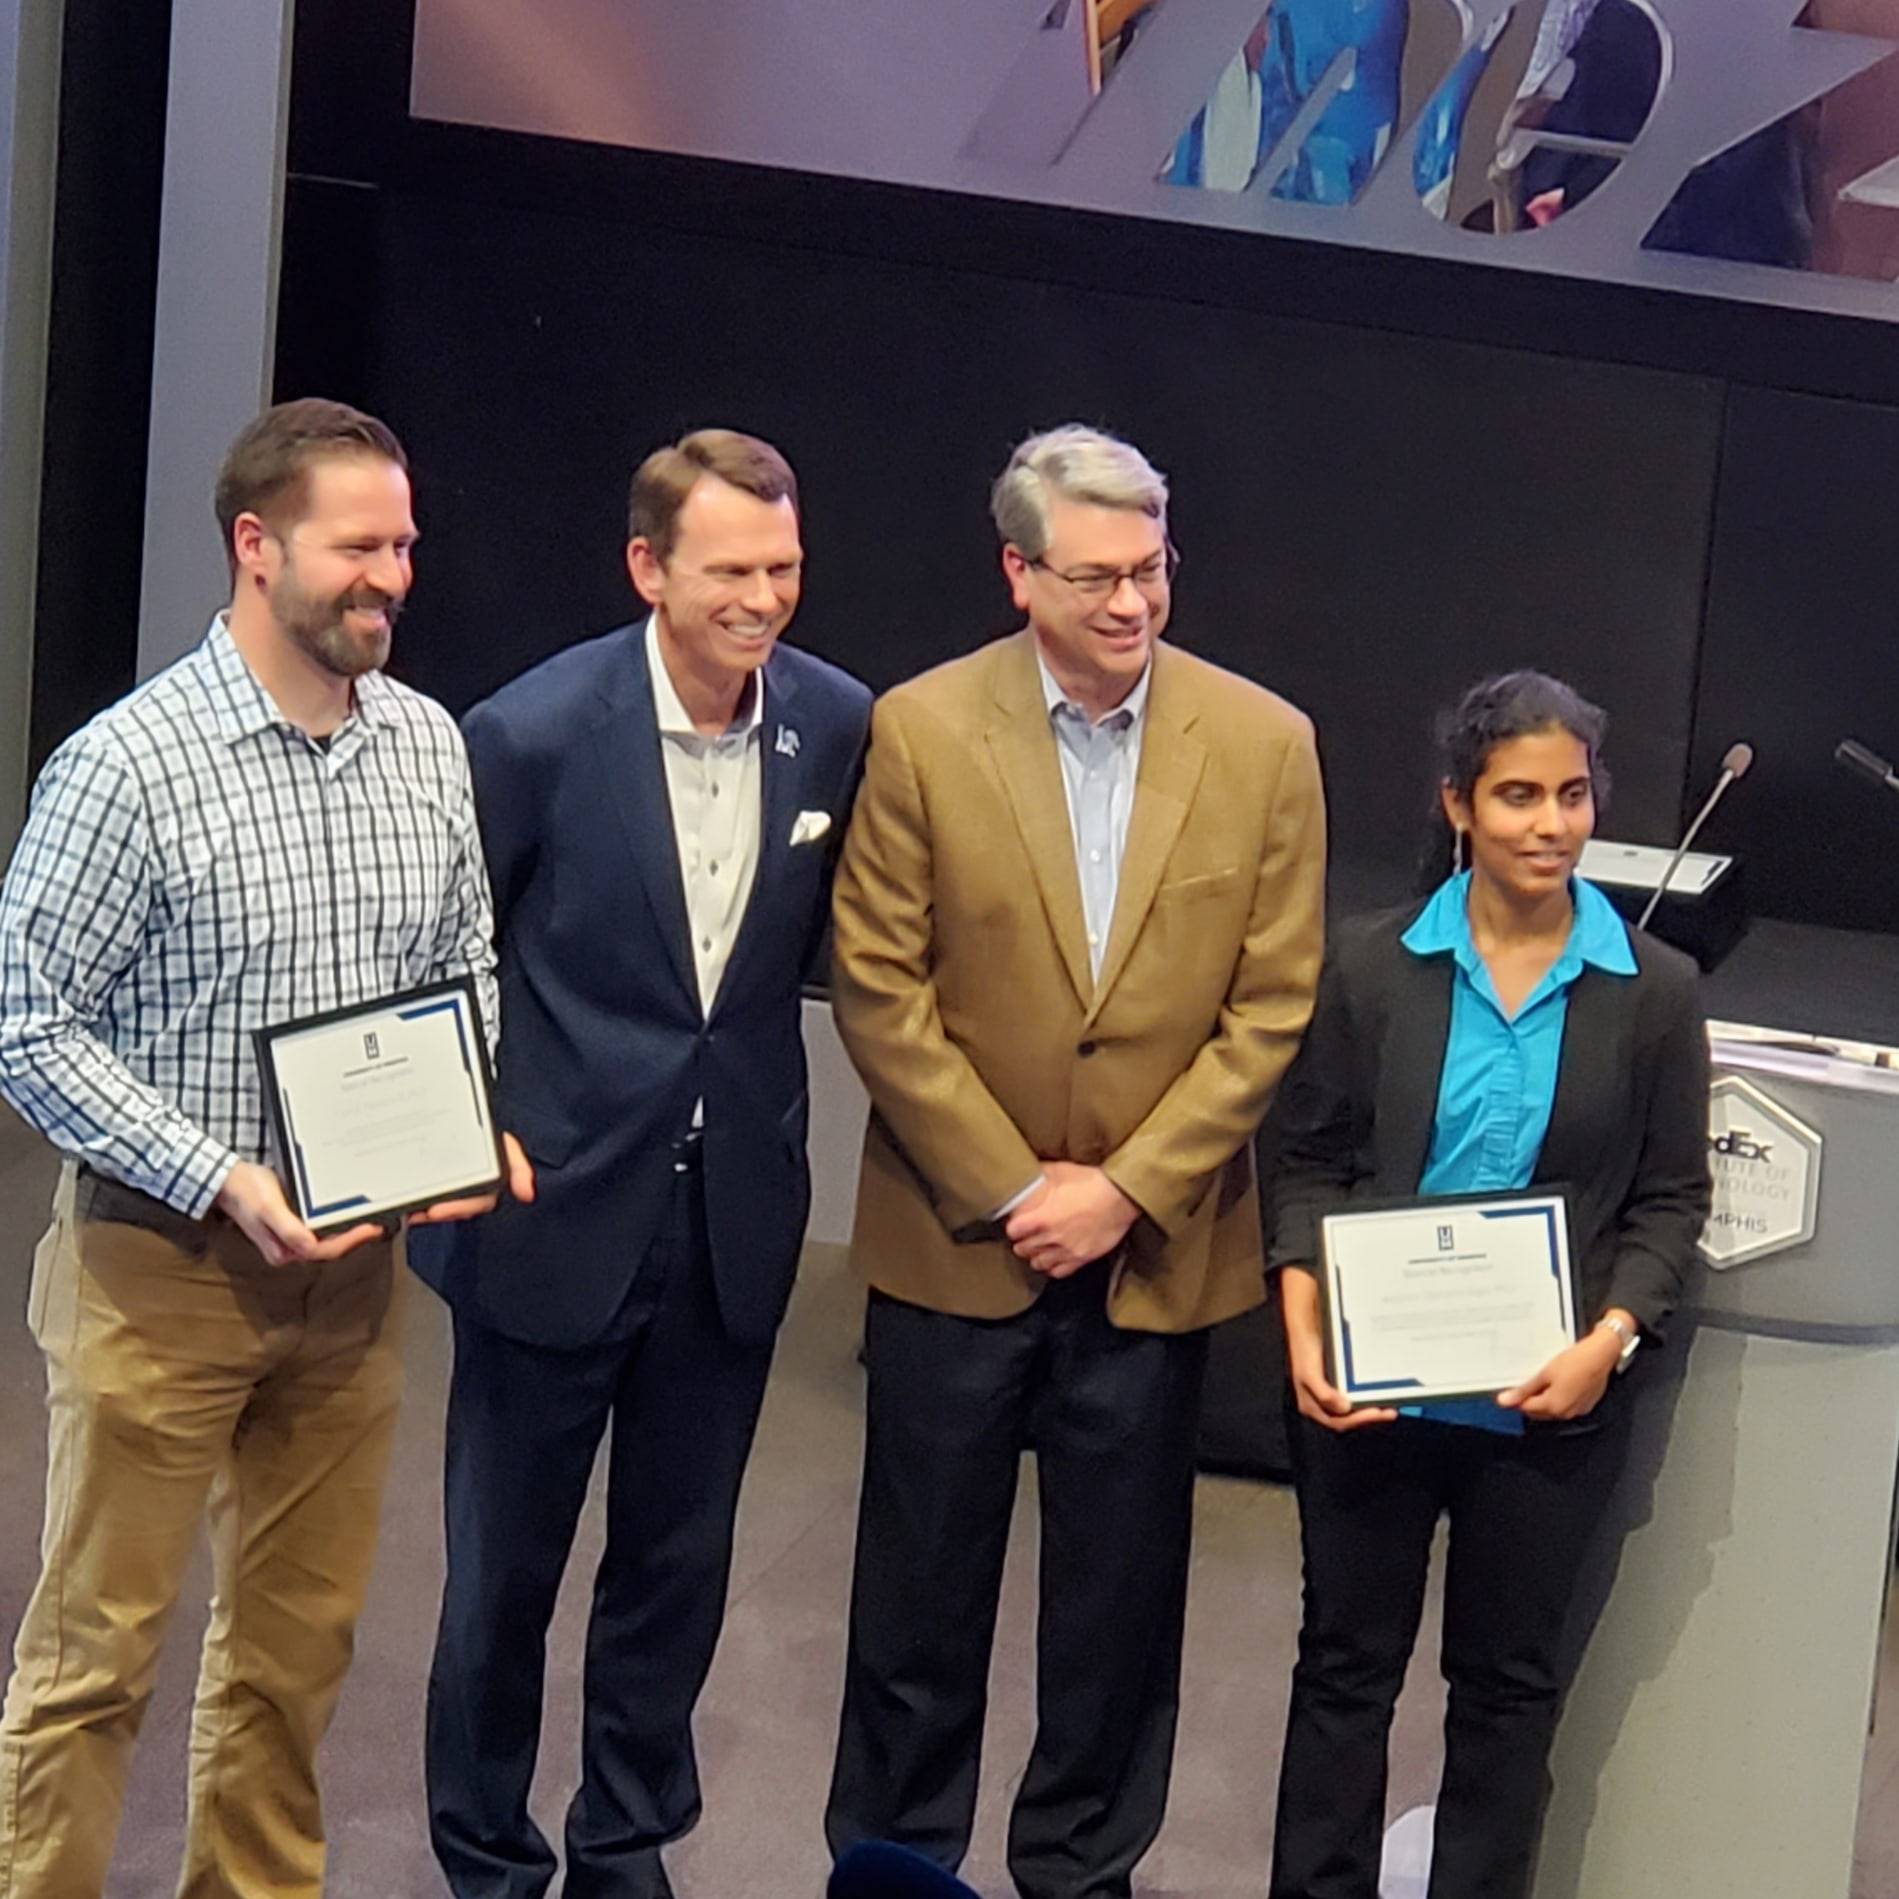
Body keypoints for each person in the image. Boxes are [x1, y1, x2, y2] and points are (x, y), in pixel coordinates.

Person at [0, 398, 516, 1899]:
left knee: (292, 1667)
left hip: (352, 1293)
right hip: (161, 1277)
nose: (393, 575)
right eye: (360, 545)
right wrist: (218, 1174)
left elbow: (463, 956)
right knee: (96, 1659)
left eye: (404, 543)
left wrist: (460, 1113)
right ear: (255, 545)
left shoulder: (423, 743)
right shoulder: (128, 767)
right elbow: (29, 1020)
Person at [825, 424, 1327, 1899]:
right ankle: (894, 1863)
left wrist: (1121, 1187)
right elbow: (877, 985)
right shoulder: (919, 728)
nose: (1130, 602)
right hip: (954, 1238)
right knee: (916, 1596)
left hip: (1152, 1248)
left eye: (1150, 567)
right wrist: (1010, 1183)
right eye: (1096, 574)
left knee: (1116, 1610)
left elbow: (1271, 999)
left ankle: (1080, 1870)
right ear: (1017, 572)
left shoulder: (1262, 742)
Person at [410, 429, 871, 1899]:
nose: (762, 597)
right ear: (646, 568)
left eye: (782, 566)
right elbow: (439, 953)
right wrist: (458, 1130)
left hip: (728, 1218)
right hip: (547, 1212)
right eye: (729, 568)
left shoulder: (834, 721)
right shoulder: (531, 730)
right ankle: (486, 1855)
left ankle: (623, 1845)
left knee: (675, 1566)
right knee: (502, 1577)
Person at [1267, 671, 1712, 1899]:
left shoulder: (1657, 990)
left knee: (1508, 1692)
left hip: (1548, 1404)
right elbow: (1303, 1159)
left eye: (1571, 795)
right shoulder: (1367, 965)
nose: (1549, 824)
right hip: (1375, 1394)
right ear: (1458, 804)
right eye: (1518, 795)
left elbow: (1672, 1200)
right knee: (1344, 1671)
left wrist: (1608, 1340)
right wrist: (1306, 1322)